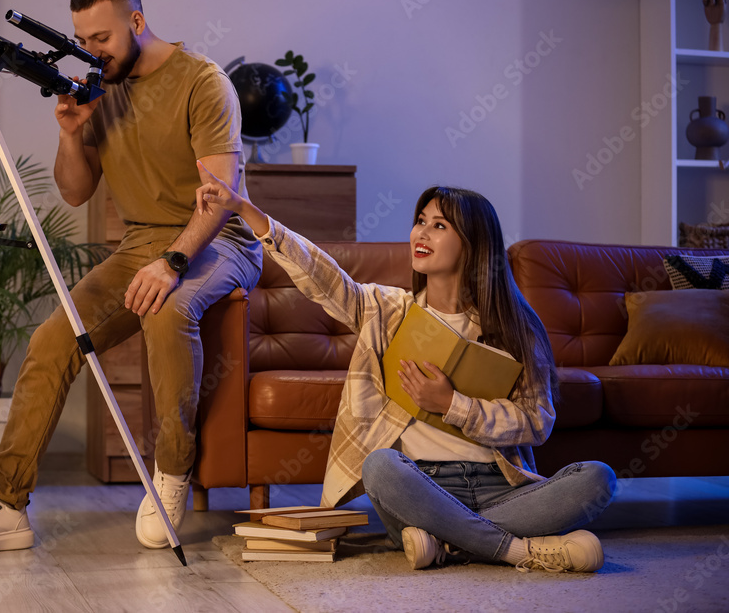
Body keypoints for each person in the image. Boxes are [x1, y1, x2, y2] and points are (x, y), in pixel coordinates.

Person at [0, 0, 261, 555]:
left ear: (137, 22)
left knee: (168, 308)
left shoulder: (203, 82)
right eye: (83, 40)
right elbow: (76, 191)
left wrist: (172, 262)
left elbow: (219, 197)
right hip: (140, 242)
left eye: (102, 39)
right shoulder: (99, 89)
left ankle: (172, 469)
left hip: (221, 238)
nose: (91, 51)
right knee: (52, 340)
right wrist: (70, 135)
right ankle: (6, 504)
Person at [196, 165, 617, 573]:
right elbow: (321, 276)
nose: (421, 233)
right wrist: (246, 210)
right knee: (380, 466)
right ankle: (515, 549)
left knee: (599, 478)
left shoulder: (515, 326)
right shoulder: (387, 310)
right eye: (420, 221)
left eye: (439, 225)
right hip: (420, 487)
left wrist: (452, 405)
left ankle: (449, 543)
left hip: (500, 486)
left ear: (473, 244)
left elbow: (536, 421)